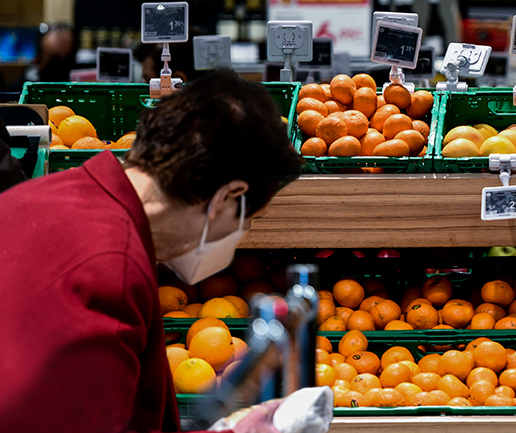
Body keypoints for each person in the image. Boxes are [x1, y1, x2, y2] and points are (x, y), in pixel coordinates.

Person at [0, 70, 303, 432]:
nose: (242, 233)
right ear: (227, 198)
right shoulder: (112, 269)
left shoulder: (34, 197)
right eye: (249, 219)